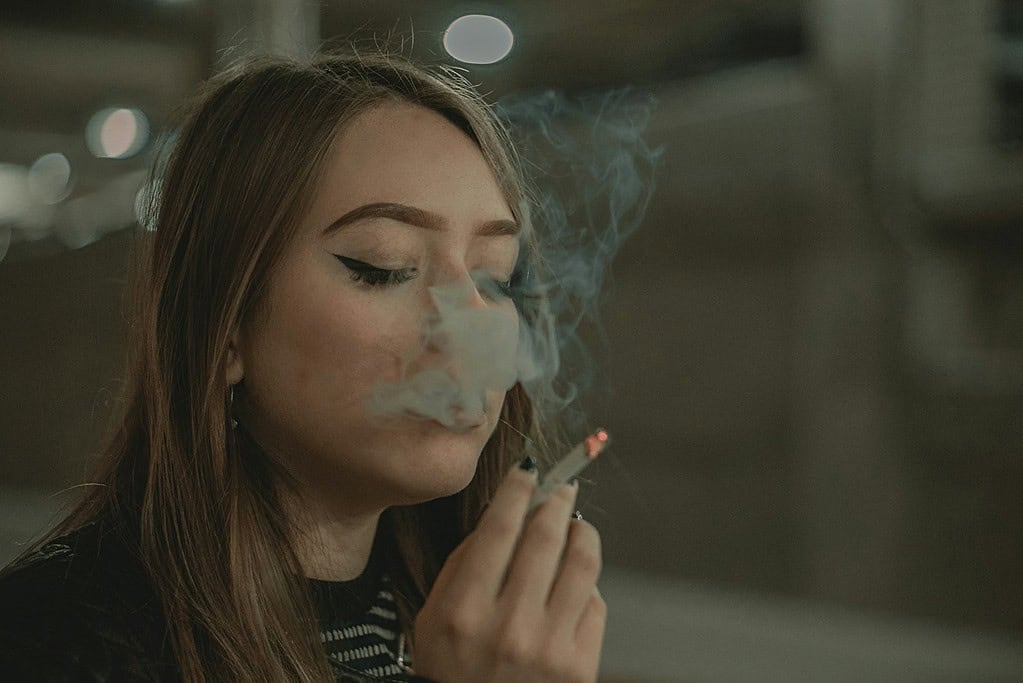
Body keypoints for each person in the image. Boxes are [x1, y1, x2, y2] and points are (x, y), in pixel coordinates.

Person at [0, 51, 605, 682]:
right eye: (383, 266)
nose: (474, 327)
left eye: (494, 277)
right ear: (225, 326)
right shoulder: (49, 645)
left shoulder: (472, 627)